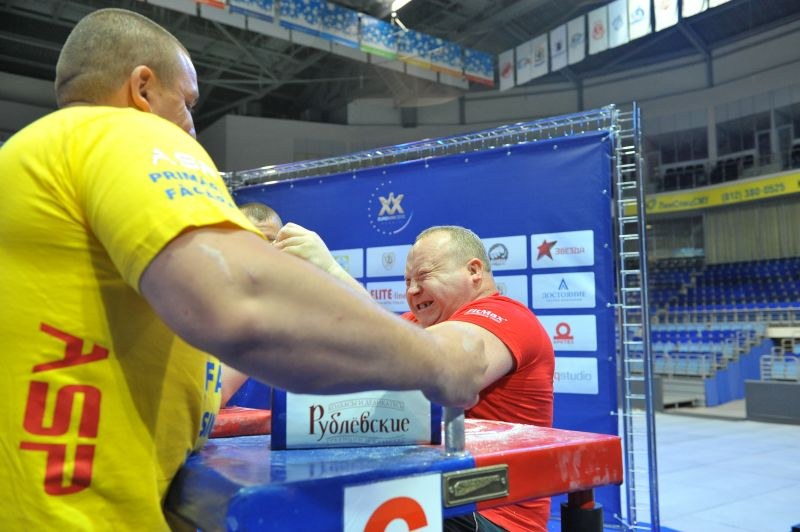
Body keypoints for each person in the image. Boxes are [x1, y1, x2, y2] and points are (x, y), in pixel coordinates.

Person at [0, 8, 487, 529]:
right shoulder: (120, 131)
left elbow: (188, 360)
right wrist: (436, 361)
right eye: (187, 103)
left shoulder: (40, 160)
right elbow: (243, 305)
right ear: (142, 89)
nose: (191, 126)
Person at [402, 226, 555, 532]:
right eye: (407, 281)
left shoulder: (508, 316)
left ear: (473, 271)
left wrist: (330, 275)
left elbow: (438, 366)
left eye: (423, 275)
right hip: (442, 490)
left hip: (493, 515)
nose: (412, 290)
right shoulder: (419, 322)